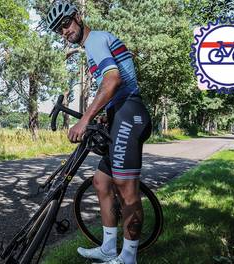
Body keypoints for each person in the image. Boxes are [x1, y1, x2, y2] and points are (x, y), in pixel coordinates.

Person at [46, 2, 152, 264]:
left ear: (78, 18)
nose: (64, 31)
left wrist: (85, 119)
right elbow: (119, 83)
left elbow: (113, 80)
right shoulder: (94, 44)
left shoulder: (95, 41)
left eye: (66, 24)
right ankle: (108, 248)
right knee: (102, 182)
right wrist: (107, 112)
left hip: (130, 114)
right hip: (121, 113)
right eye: (59, 29)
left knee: (127, 192)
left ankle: (128, 258)